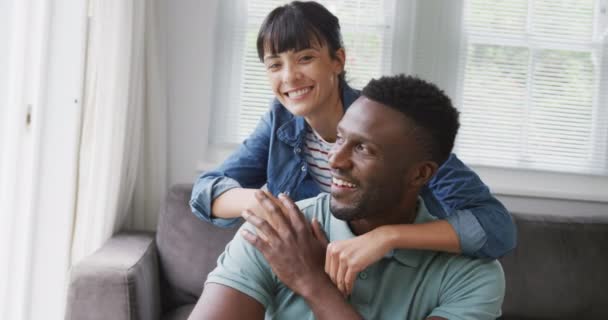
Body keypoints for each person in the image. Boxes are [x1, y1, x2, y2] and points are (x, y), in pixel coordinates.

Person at [190, 0, 515, 292]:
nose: (289, 77)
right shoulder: (280, 123)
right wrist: (262, 204)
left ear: (338, 61)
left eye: (305, 58)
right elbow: (205, 192)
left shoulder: (393, 128)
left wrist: (388, 236)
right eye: (275, 65)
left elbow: (496, 228)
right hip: (310, 279)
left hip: (390, 282)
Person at [189, 75, 505, 320]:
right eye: (340, 137)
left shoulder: (473, 276)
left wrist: (311, 282)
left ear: (420, 175)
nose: (335, 160)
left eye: (363, 148)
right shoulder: (277, 233)